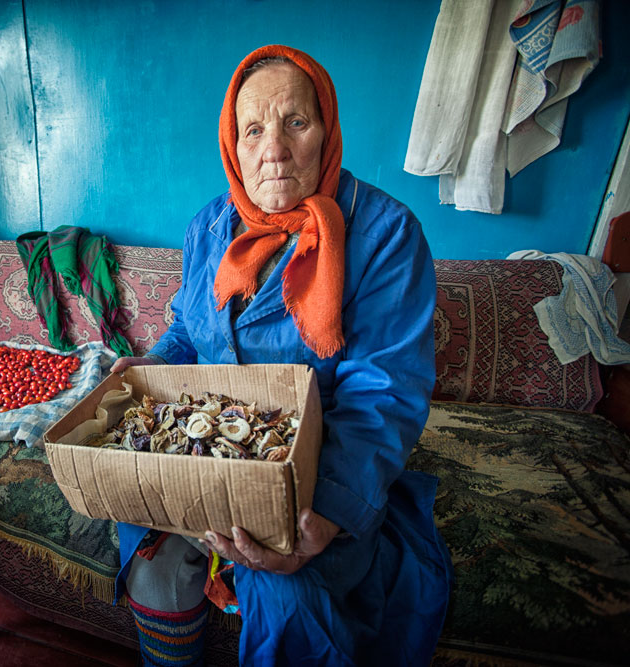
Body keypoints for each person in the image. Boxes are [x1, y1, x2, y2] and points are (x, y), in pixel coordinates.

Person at [110, 45, 453, 666]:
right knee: (151, 566)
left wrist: (324, 514)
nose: (274, 147)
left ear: (327, 131)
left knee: (290, 599)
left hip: (321, 469)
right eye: (253, 129)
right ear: (232, 147)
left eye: (296, 121)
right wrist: (151, 367)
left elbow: (385, 390)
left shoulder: (383, 234)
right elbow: (190, 333)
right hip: (211, 457)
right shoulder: (210, 228)